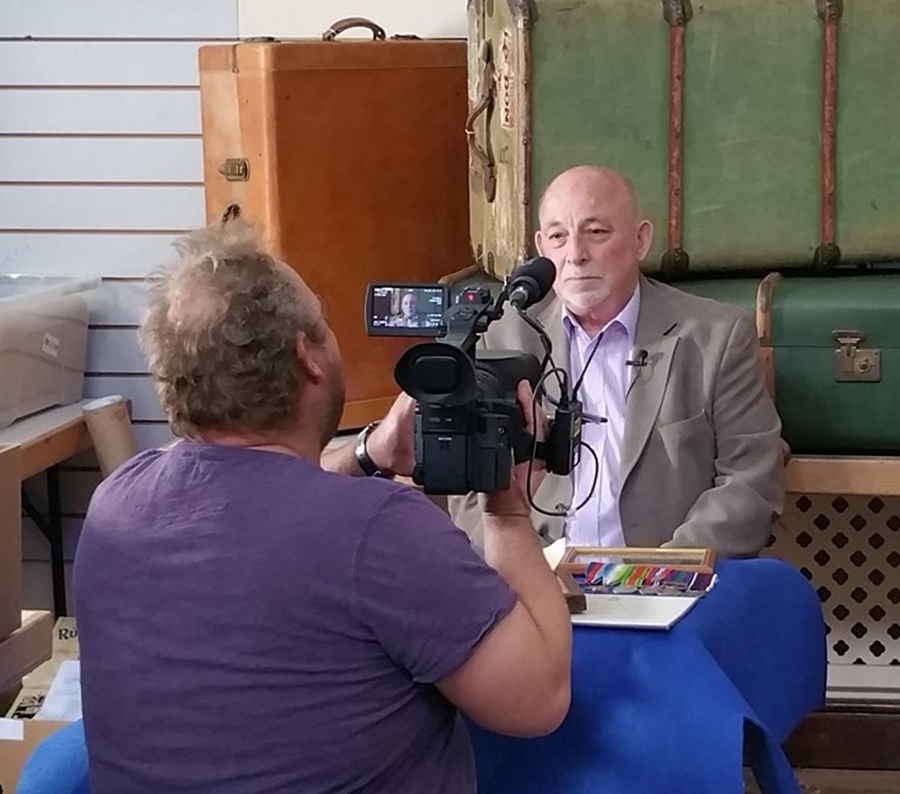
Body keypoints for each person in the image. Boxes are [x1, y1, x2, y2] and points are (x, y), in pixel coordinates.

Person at [73, 221, 571, 793]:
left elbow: (257, 501)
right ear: (307, 357)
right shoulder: (379, 530)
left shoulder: (117, 501)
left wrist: (371, 451)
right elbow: (539, 700)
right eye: (323, 323)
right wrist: (504, 506)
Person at [449, 165, 784, 558]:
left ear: (641, 240)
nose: (575, 255)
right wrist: (532, 568)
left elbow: (750, 479)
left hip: (669, 583)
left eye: (596, 232)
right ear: (542, 248)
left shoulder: (716, 337)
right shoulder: (502, 336)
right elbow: (468, 491)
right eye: (558, 237)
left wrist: (665, 570)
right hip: (536, 582)